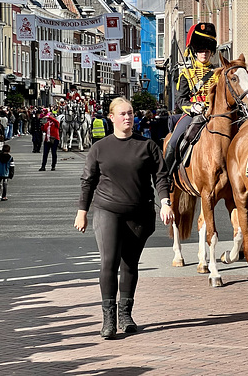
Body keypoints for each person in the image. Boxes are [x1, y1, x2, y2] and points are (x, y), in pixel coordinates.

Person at [74, 97, 174, 339]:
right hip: (108, 209)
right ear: (112, 117)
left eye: (130, 113)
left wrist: (165, 202)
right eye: (122, 114)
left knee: (130, 263)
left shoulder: (147, 145)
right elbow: (88, 180)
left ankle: (125, 314)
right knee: (109, 262)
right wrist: (82, 211)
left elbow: (161, 177)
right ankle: (108, 318)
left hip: (139, 212)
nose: (127, 117)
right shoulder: (100, 148)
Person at [163, 23, 219, 173]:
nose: (204, 54)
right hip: (194, 114)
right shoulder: (186, 74)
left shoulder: (218, 73)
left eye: (207, 50)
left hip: (215, 114)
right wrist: (192, 107)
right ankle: (167, 176)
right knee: (174, 141)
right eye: (200, 51)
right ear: (195, 52)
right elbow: (181, 100)